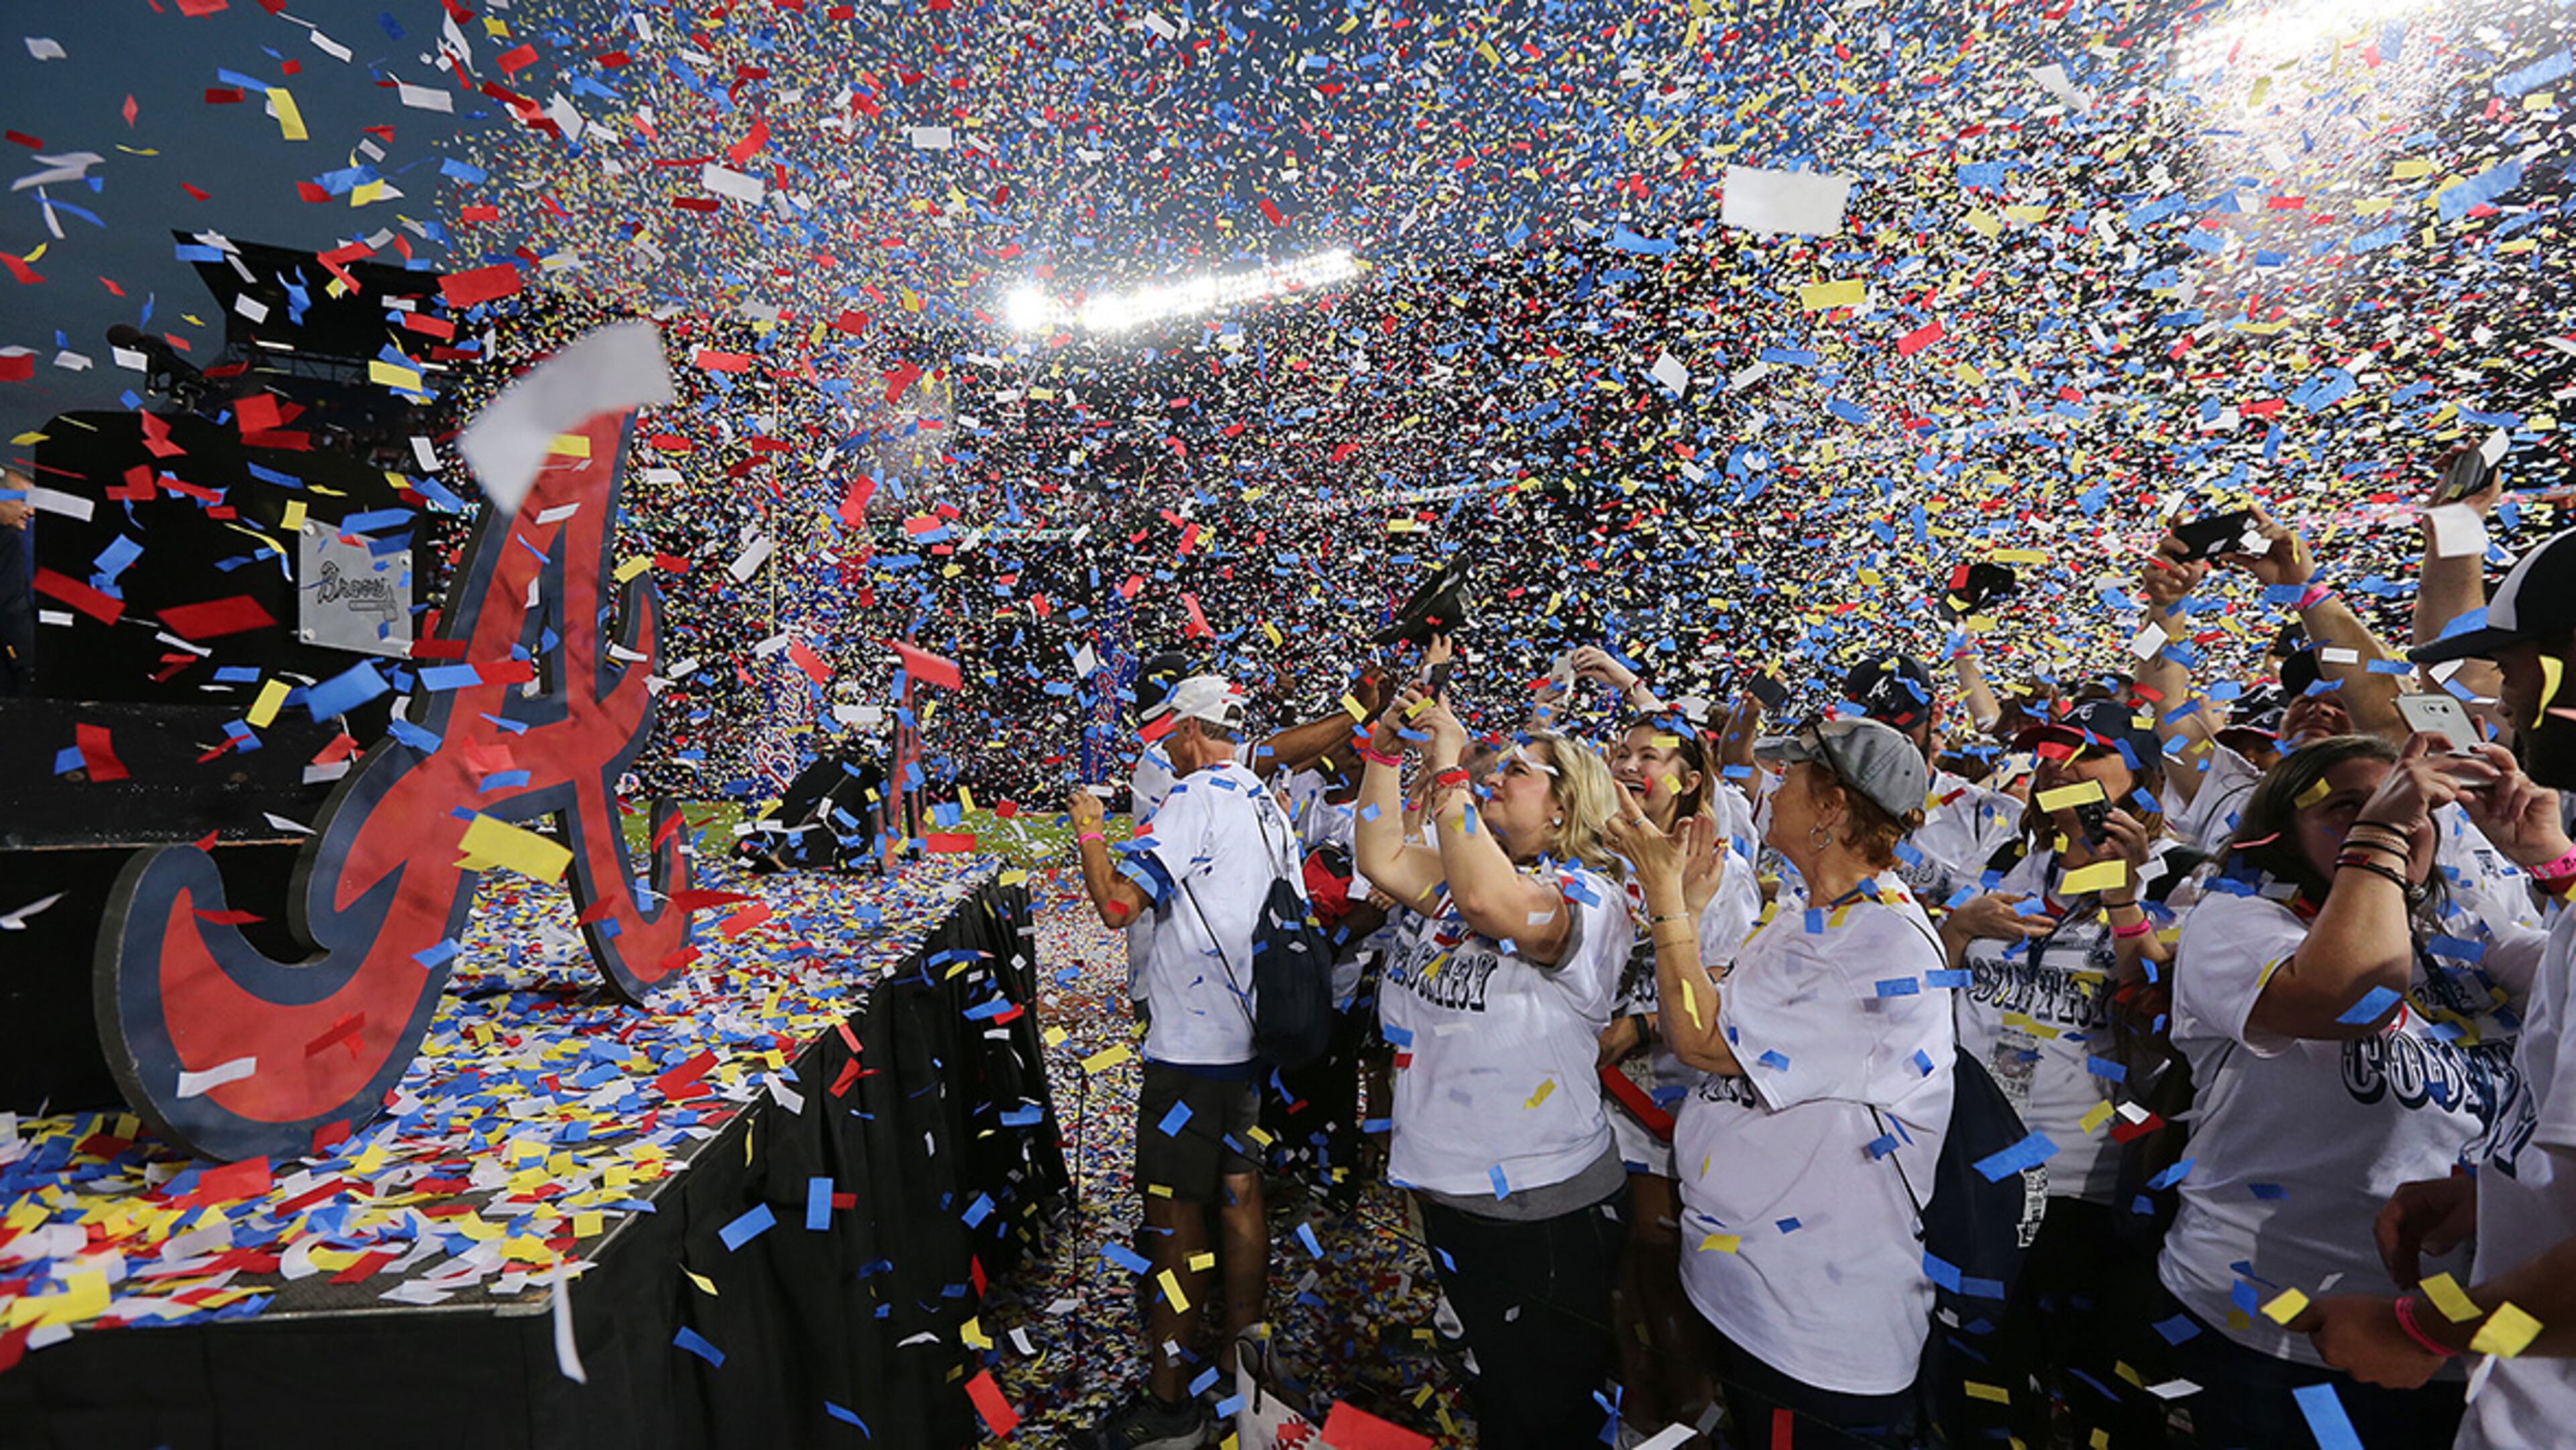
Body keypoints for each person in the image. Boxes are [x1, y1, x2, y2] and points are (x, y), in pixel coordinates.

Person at [2158, 733, 2538, 1449]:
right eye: (2346, 806)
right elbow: (2344, 994)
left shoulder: (2466, 925)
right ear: (2283, 832)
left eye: (2410, 803)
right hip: (2281, 1332)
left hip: (2457, 1330)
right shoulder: (2237, 922)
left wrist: (2552, 864)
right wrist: (2381, 833)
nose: (2398, 818)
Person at [2296, 528, 2576, 1450]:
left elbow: (2403, 696)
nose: (2507, 711)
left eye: (2515, 676)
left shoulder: (2486, 839)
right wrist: (2496, 1187)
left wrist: (2422, 1330)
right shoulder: (2533, 843)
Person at [1610, 714, 1951, 1447]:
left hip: (1816, 1326)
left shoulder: (1881, 941)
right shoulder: (1807, 914)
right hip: (1751, 1291)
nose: (1769, 784)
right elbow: (1703, 1012)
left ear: (1831, 805)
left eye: (1790, 773)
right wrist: (1693, 913)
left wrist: (1666, 894)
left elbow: (1699, 1040)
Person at [1354, 681, 1635, 1450]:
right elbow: (1378, 854)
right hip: (1453, 1188)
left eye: (1521, 767)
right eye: (1497, 760)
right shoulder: (1463, 877)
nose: (1498, 772)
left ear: (1563, 805)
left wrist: (1451, 769)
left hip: (1539, 1204)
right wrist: (1383, 749)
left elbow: (1488, 903)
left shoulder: (1591, 897)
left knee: (1544, 1413)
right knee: (1501, 1386)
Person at [1939, 698, 2193, 1448]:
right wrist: (1956, 931)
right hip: (1980, 1160)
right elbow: (1948, 1000)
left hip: (2089, 1176)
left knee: (2100, 1389)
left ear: (2139, 774)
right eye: (2050, 754)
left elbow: (2160, 1020)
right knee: (1990, 1369)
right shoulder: (2006, 862)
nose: (2061, 767)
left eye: (2086, 754)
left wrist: (2121, 900)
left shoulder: (2181, 873)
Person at [1068, 673, 1297, 1450]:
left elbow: (1116, 906)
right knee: (1240, 1195)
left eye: (1172, 733)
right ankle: (1244, 1377)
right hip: (1248, 1039)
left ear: (1197, 732)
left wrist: (1092, 831)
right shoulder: (1266, 802)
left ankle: (1172, 1406)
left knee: (1173, 1216)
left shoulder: (1194, 798)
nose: (1165, 744)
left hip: (1192, 1050)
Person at [1600, 703, 1762, 1437]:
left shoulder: (1720, 871)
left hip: (1675, 1101)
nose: (1631, 765)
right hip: (1598, 1099)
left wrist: (1632, 1027)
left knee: (1663, 1266)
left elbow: (1720, 999)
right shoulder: (1600, 857)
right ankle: (1640, 1410)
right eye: (1622, 752)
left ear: (1691, 778)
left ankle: (1697, 1413)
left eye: (1649, 755)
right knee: (1623, 1275)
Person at [0, 465, 33, 697]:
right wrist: (29, 665)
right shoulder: (8, 540)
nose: (31, 511)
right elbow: (12, 608)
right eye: (23, 500)